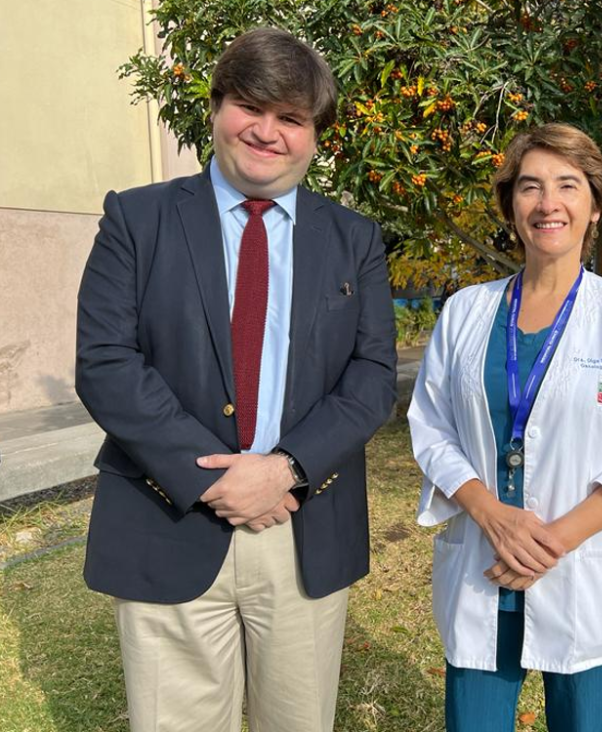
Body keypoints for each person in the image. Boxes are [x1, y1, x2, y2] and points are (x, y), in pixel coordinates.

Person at [75, 27, 396, 732]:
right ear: (217, 108)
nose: (268, 131)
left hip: (302, 523)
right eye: (251, 106)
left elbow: (372, 375)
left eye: (292, 118)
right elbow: (106, 361)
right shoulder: (137, 218)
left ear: (315, 136)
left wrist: (285, 468)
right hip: (171, 517)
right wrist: (217, 478)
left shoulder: (354, 239)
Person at [408, 123, 602, 732]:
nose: (548, 203)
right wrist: (491, 514)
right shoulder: (466, 311)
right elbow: (430, 427)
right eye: (529, 187)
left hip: (583, 573)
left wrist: (549, 543)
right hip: (486, 565)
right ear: (510, 206)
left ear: (594, 203)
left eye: (567, 185)